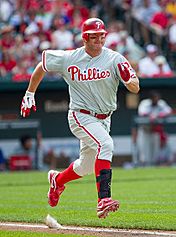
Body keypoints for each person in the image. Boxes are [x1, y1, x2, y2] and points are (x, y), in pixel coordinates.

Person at [20, 18, 140, 219]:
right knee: (106, 144)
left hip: (104, 118)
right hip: (80, 115)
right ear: (85, 38)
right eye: (94, 36)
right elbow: (42, 66)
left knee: (84, 167)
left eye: (102, 36)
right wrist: (30, 93)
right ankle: (103, 199)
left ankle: (58, 180)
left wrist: (131, 81)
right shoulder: (70, 57)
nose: (99, 40)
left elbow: (135, 87)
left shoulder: (115, 58)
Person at [134, 90, 172, 166]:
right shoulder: (145, 103)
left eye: (157, 98)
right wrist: (151, 116)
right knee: (145, 153)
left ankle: (154, 168)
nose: (156, 100)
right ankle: (145, 168)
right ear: (151, 99)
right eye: (154, 98)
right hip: (145, 131)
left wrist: (158, 115)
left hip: (155, 131)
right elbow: (142, 113)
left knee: (155, 153)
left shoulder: (161, 103)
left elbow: (169, 111)